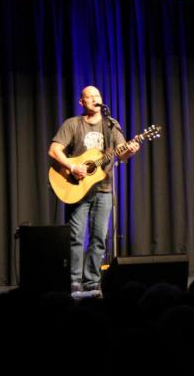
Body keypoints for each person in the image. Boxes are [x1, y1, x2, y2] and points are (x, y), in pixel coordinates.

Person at [48, 86, 140, 292]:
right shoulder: (73, 124)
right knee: (76, 236)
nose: (94, 99)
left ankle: (91, 281)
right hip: (76, 187)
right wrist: (73, 166)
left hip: (103, 189)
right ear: (82, 102)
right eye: (89, 97)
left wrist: (131, 150)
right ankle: (73, 280)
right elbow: (54, 149)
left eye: (97, 95)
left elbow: (122, 153)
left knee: (99, 237)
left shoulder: (111, 125)